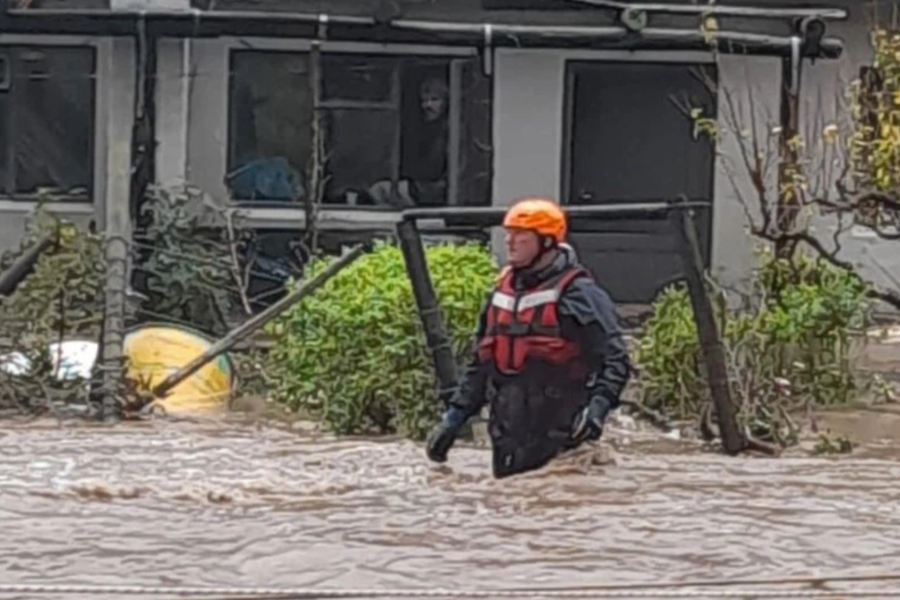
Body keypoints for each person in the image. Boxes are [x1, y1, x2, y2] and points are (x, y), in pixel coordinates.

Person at [425, 197, 631, 479]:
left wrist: (597, 409)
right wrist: (453, 419)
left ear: (546, 242)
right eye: (509, 234)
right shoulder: (500, 294)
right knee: (509, 507)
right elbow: (481, 363)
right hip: (508, 436)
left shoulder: (580, 294)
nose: (510, 242)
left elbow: (615, 359)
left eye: (521, 235)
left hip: (562, 435)